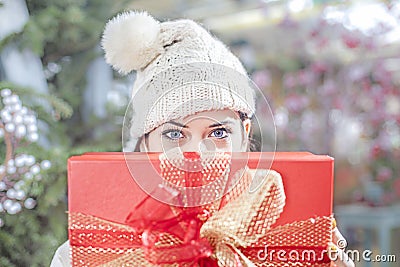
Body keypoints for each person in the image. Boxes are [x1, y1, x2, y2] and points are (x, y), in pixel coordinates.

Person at [51, 11, 354, 267]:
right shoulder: (89, 251)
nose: (196, 152)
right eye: (174, 134)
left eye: (218, 132)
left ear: (244, 136)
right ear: (145, 143)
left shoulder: (291, 225)